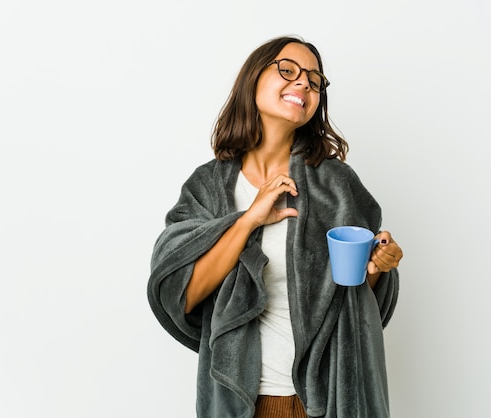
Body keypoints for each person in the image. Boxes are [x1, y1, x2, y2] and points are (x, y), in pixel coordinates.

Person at [147, 35, 403, 418]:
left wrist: (379, 268)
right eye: (288, 70)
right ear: (253, 79)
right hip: (239, 401)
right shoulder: (207, 187)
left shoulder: (335, 184)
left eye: (315, 81)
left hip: (325, 399)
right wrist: (250, 217)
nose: (303, 83)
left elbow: (353, 304)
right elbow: (181, 296)